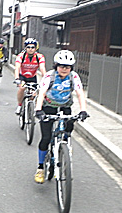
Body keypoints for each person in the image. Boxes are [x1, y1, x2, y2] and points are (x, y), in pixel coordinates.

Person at [33, 50, 89, 183]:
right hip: (48, 106)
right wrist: (38, 110)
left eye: (68, 67)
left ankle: (63, 150)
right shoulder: (49, 76)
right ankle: (40, 168)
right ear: (56, 66)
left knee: (68, 127)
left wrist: (83, 110)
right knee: (46, 137)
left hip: (65, 106)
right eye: (61, 66)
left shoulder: (73, 77)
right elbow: (41, 93)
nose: (64, 69)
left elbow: (80, 93)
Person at [13, 38, 46, 114]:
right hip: (22, 76)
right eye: (28, 47)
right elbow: (17, 67)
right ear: (25, 48)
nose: (30, 49)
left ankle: (29, 108)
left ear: (35, 48)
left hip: (32, 77)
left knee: (33, 94)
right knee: (22, 88)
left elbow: (42, 68)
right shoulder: (21, 56)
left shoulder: (39, 57)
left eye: (32, 47)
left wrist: (46, 79)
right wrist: (17, 78)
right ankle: (20, 105)